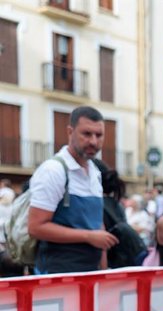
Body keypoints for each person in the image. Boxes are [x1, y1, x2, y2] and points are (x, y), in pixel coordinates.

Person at [28, 106, 118, 274]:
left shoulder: (95, 172)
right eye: (86, 134)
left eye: (99, 135)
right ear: (70, 132)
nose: (93, 141)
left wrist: (103, 271)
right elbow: (35, 227)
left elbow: (98, 224)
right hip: (57, 274)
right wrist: (88, 236)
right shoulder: (53, 170)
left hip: (89, 273)